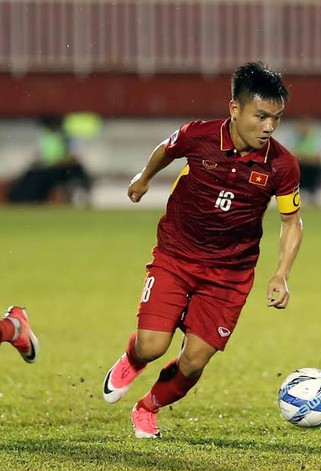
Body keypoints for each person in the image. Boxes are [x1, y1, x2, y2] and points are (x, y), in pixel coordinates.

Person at [102, 61, 303, 439]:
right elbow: (168, 148)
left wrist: (281, 274)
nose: (269, 127)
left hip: (230, 273)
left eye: (276, 118)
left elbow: (292, 221)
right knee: (151, 345)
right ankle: (133, 360)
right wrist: (144, 178)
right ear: (235, 109)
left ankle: (148, 407)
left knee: (193, 362)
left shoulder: (282, 164)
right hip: (177, 255)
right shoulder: (200, 135)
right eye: (261, 116)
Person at [7, 115, 92, 205]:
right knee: (32, 176)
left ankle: (81, 199)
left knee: (78, 172)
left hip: (65, 168)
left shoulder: (68, 136)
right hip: (48, 169)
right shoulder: (43, 136)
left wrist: (56, 163)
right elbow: (37, 156)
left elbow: (74, 157)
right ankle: (28, 200)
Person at [285, 116, 321, 204]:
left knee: (316, 167)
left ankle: (312, 193)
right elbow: (289, 156)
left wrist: (301, 158)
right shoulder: (292, 137)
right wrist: (306, 158)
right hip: (298, 166)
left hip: (310, 166)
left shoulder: (315, 138)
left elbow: (319, 157)